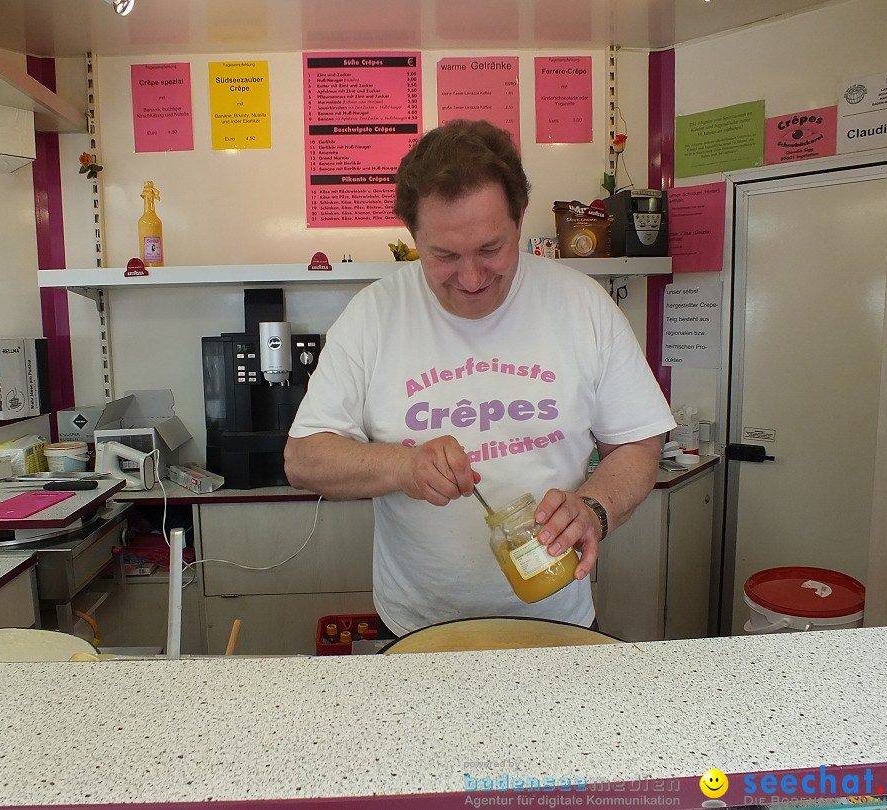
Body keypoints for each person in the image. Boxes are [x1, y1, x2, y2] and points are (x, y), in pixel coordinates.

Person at [284, 119, 675, 637]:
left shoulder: (583, 306)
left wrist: (595, 509)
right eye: (444, 256)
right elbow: (303, 458)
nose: (470, 279)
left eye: (492, 249)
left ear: (519, 221)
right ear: (412, 236)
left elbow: (638, 445)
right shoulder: (373, 315)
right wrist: (404, 467)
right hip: (417, 628)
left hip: (557, 624)